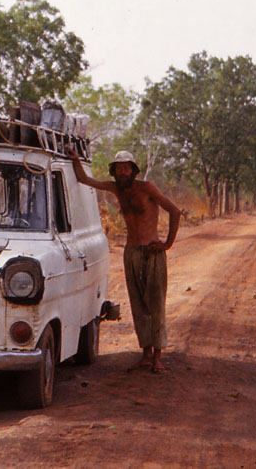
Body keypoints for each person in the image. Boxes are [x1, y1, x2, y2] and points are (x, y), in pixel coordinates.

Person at [66, 147, 181, 374]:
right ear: (114, 171)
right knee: (138, 305)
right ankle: (146, 355)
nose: (123, 172)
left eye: (126, 168)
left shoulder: (146, 188)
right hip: (131, 252)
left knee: (155, 304)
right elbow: (84, 179)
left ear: (134, 170)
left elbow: (174, 211)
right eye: (119, 168)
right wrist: (75, 159)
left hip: (152, 251)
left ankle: (158, 357)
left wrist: (167, 244)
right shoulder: (116, 190)